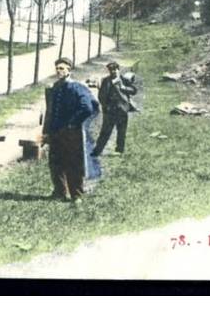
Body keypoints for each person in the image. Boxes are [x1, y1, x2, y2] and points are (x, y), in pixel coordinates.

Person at [40, 57, 98, 203]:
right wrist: (46, 132)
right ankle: (59, 192)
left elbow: (87, 108)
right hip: (56, 132)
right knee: (56, 163)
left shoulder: (77, 88)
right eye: (57, 68)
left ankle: (76, 194)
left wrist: (72, 123)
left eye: (62, 68)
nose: (59, 71)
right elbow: (50, 112)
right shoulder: (54, 88)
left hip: (72, 133)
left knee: (73, 163)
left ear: (69, 70)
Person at [92, 61, 139, 157]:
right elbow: (101, 95)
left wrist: (123, 87)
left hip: (122, 110)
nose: (113, 71)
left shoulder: (124, 80)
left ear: (118, 70)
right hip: (109, 111)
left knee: (121, 131)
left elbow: (134, 90)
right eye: (111, 70)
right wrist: (105, 106)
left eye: (115, 69)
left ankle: (119, 150)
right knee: (105, 131)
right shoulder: (105, 81)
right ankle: (97, 151)